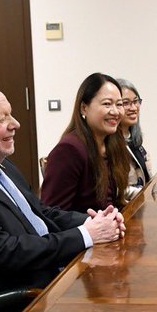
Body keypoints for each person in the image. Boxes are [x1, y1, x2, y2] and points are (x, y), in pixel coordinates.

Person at [0, 83, 124, 296]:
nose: (15, 124)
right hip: (29, 297)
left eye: (11, 115)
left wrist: (95, 222)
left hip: (55, 275)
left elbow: (41, 212)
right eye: (1, 119)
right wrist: (85, 235)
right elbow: (4, 252)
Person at [41, 72, 131, 214]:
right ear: (84, 108)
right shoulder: (69, 150)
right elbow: (52, 212)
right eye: (107, 104)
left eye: (119, 104)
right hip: (88, 233)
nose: (115, 111)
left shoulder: (113, 141)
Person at [116, 77, 151, 201]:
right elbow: (116, 189)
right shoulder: (109, 144)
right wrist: (147, 195)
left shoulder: (135, 141)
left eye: (136, 101)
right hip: (124, 210)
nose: (134, 107)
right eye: (126, 103)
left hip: (141, 203)